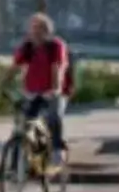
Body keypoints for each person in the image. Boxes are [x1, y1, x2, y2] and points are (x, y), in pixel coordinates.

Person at [12, 13, 73, 155]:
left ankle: (57, 150)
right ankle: (35, 155)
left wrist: (56, 88)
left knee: (54, 116)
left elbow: (58, 68)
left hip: (55, 90)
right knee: (28, 120)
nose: (35, 32)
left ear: (47, 31)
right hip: (33, 91)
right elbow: (14, 67)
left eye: (39, 28)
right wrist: (0, 84)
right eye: (33, 28)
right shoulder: (28, 47)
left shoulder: (56, 46)